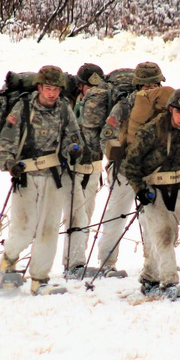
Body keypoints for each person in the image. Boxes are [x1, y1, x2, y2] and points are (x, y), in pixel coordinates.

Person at [0, 65, 85, 295]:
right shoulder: (23, 107)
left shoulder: (64, 109)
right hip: (25, 175)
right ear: (39, 87)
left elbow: (74, 139)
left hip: (53, 175)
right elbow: (5, 142)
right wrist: (9, 164)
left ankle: (40, 279)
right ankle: (9, 259)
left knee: (49, 228)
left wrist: (73, 149)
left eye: (55, 88)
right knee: (24, 228)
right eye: (47, 88)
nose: (52, 93)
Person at [124, 88, 180, 297]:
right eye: (179, 112)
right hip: (153, 190)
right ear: (171, 110)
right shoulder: (153, 130)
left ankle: (149, 278)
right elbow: (131, 164)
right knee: (163, 235)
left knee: (168, 236)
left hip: (179, 189)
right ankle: (169, 283)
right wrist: (140, 191)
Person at [93, 61, 167, 277]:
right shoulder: (124, 105)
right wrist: (117, 152)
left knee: (152, 219)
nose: (151, 89)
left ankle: (155, 263)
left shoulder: (165, 105)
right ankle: (107, 262)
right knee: (116, 215)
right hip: (125, 170)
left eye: (155, 85)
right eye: (146, 86)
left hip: (153, 171)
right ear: (138, 86)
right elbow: (107, 134)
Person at [63, 62, 107, 278]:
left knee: (86, 215)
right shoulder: (68, 105)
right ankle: (74, 263)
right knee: (77, 216)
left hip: (94, 167)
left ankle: (74, 263)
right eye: (90, 88)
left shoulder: (102, 104)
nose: (94, 94)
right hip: (71, 169)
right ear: (80, 87)